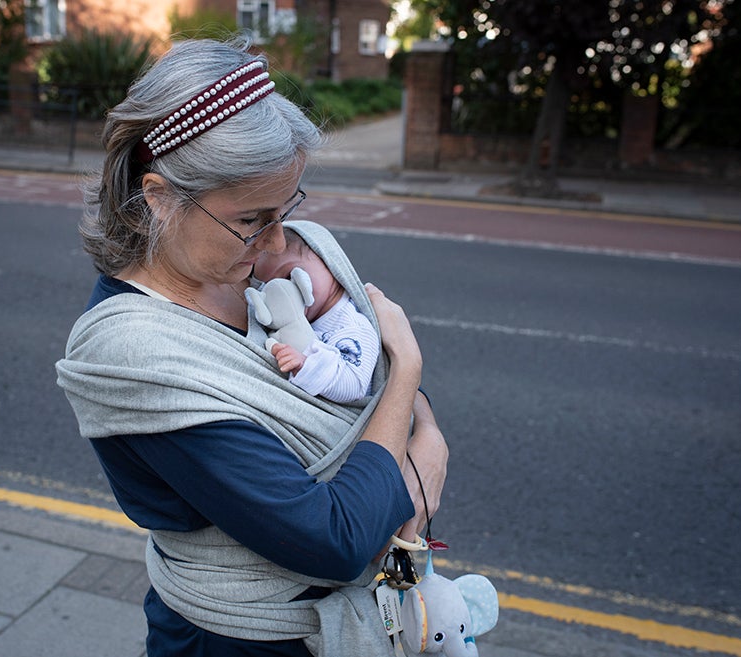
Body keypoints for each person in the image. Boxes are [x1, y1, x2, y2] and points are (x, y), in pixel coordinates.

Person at [55, 36, 449, 657]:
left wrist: (400, 419)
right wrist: (412, 405)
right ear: (159, 198)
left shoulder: (246, 275)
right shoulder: (134, 354)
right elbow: (338, 541)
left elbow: (350, 370)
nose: (274, 246)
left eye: (285, 211)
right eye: (250, 220)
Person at [251, 228, 380, 403]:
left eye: (290, 276)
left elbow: (354, 384)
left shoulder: (352, 325)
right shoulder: (292, 321)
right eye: (267, 287)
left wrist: (306, 364)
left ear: (329, 262)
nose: (283, 293)